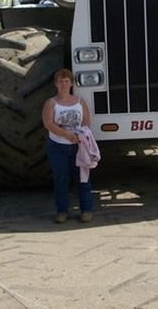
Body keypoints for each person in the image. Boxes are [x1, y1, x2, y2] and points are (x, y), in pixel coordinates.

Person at [42, 69, 94, 224]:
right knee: (61, 179)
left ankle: (86, 210)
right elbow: (48, 123)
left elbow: (86, 122)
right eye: (60, 81)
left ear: (71, 83)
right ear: (56, 84)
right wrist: (66, 135)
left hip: (78, 146)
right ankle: (62, 211)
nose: (64, 84)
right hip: (57, 146)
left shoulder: (80, 102)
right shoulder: (51, 103)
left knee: (82, 179)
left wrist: (81, 135)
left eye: (66, 81)